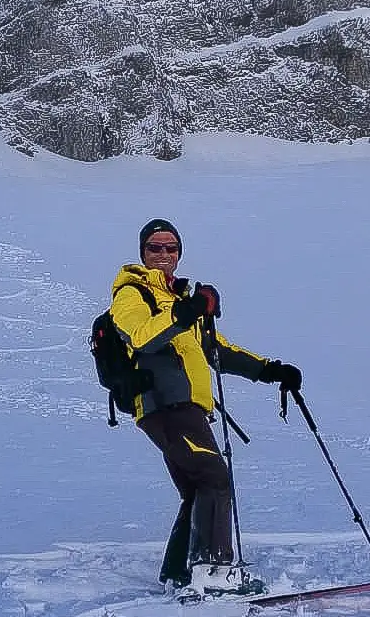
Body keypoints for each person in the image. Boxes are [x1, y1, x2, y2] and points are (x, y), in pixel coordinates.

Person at [108, 218, 303, 597]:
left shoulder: (180, 300)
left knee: (198, 486)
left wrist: (270, 370)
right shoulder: (131, 294)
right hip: (164, 405)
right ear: (142, 253)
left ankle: (180, 573)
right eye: (155, 247)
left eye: (171, 248)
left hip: (189, 407)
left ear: (179, 253)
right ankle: (212, 573)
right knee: (214, 477)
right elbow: (143, 337)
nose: (164, 254)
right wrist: (189, 310)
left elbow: (218, 350)